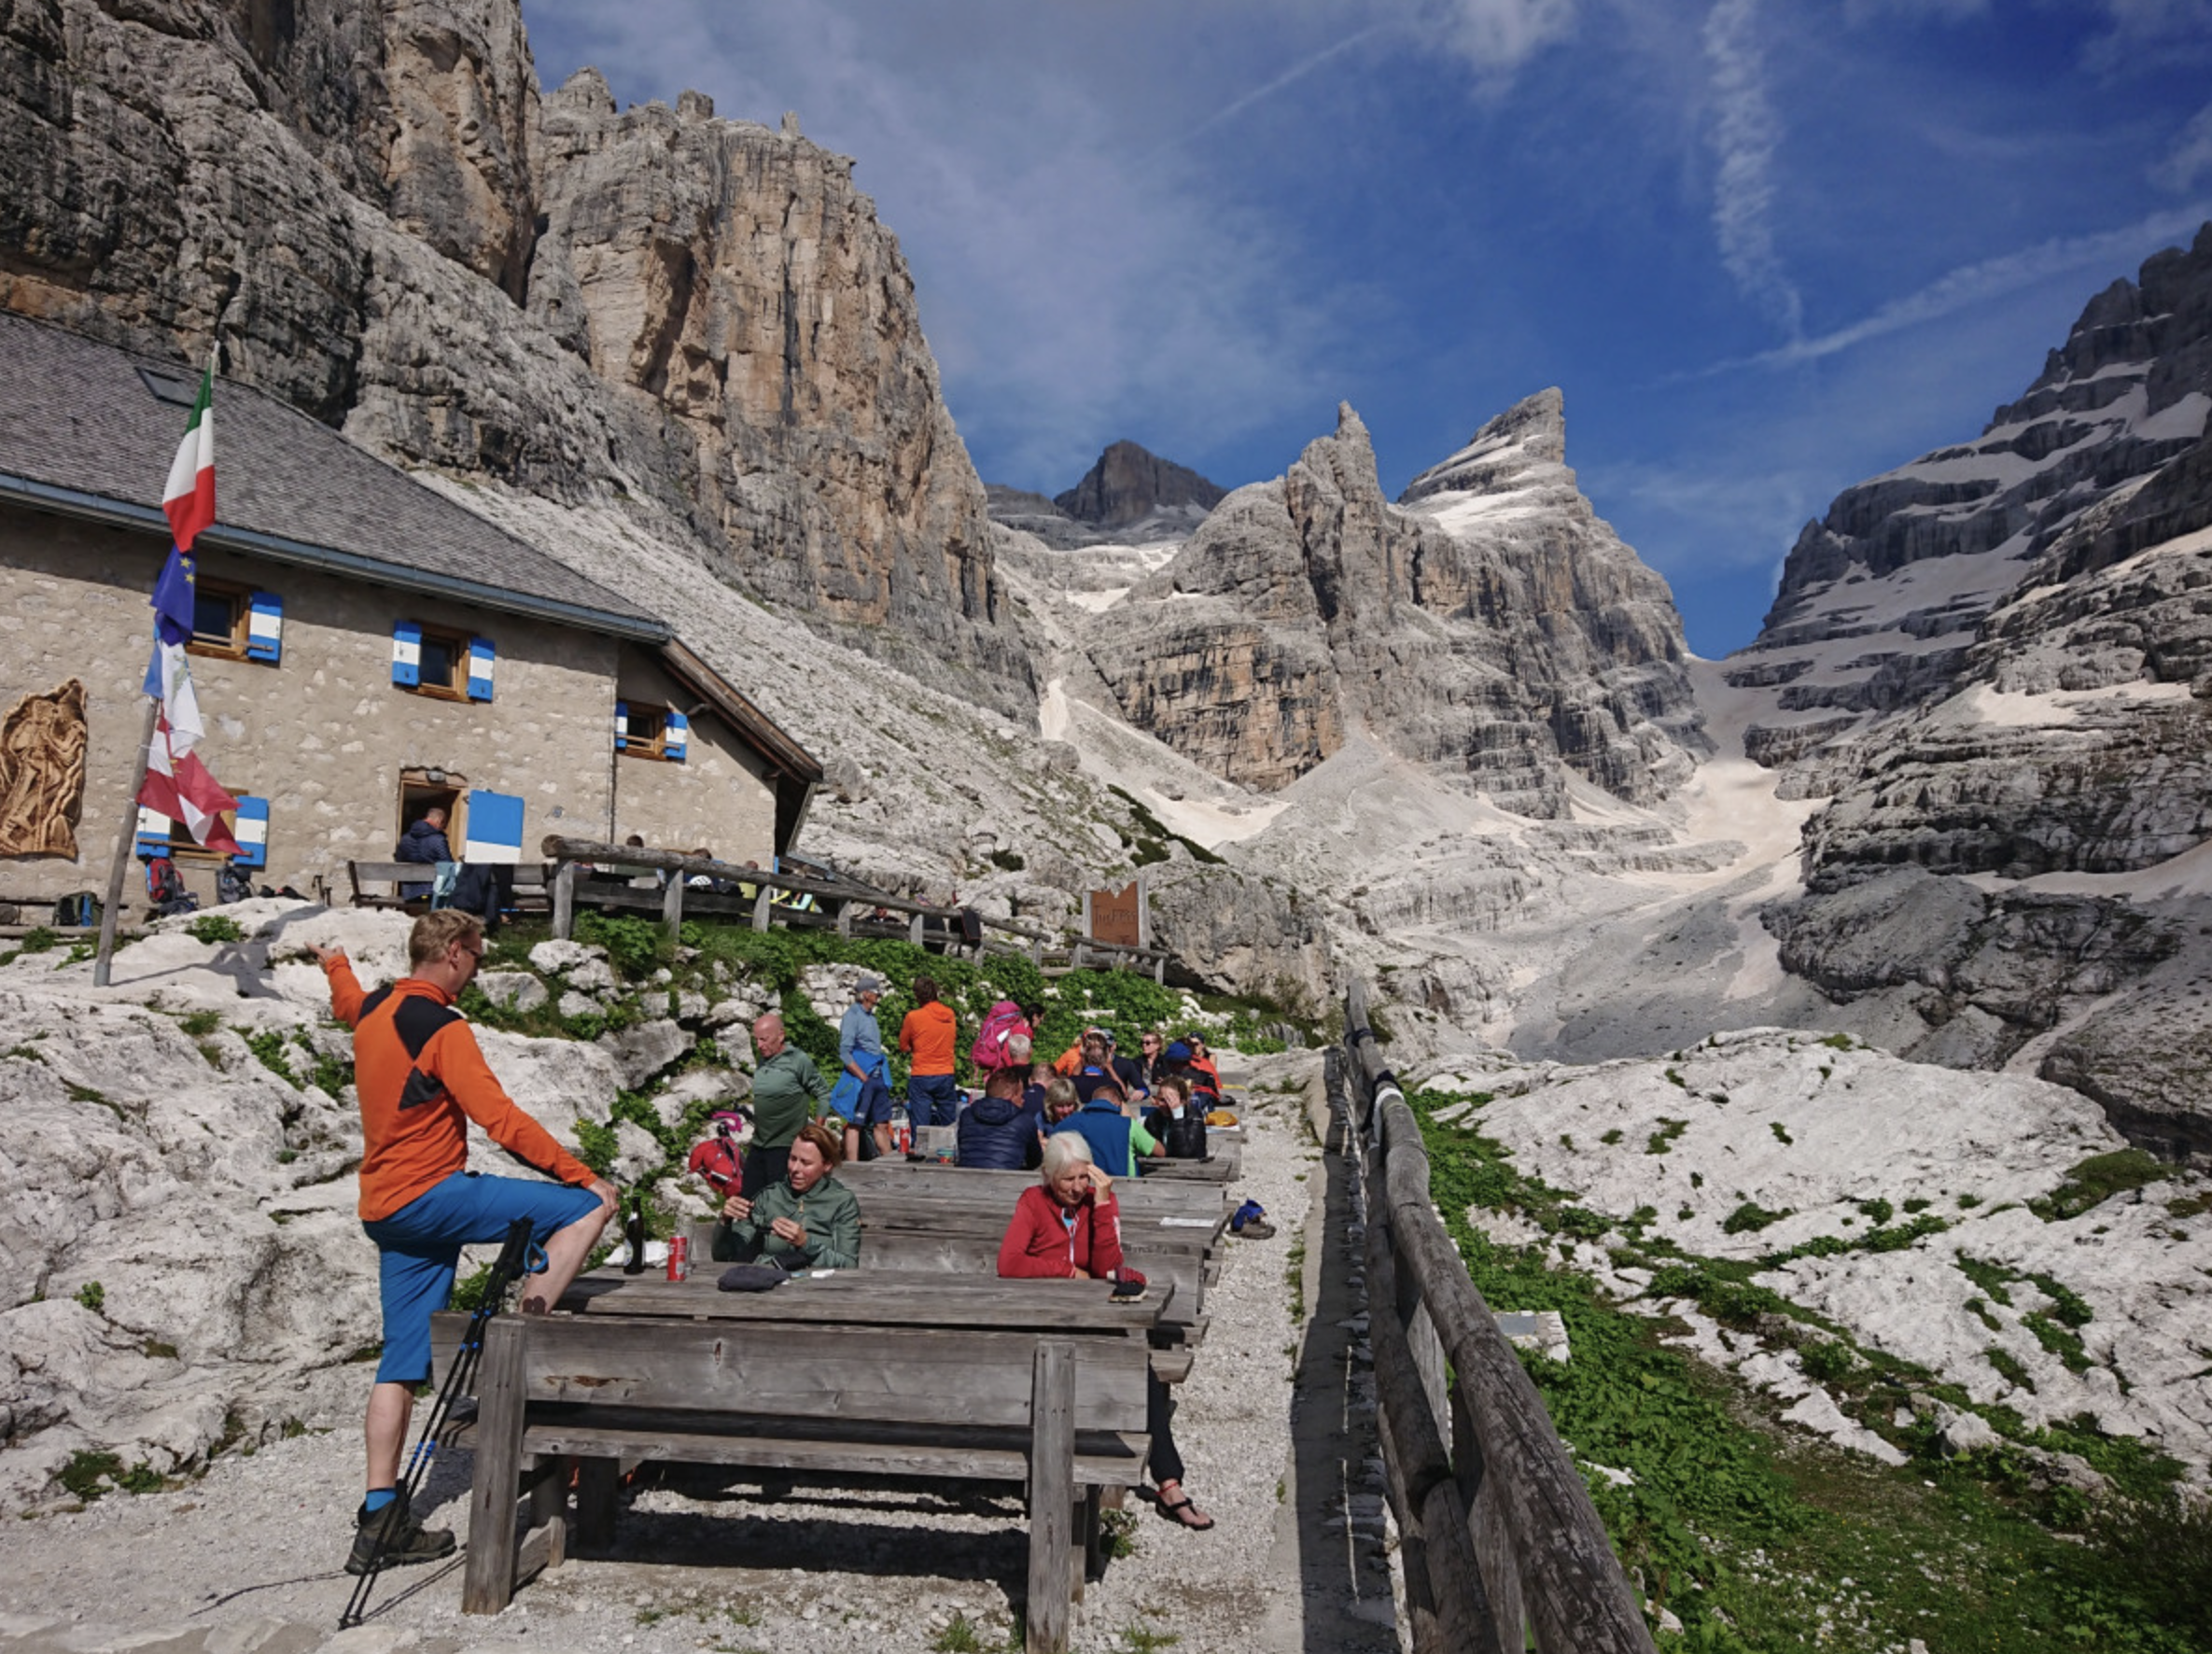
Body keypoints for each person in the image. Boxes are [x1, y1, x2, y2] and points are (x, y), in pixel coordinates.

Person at [313, 913, 617, 1576]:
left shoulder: (372, 1009)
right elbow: (499, 1119)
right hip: (432, 1197)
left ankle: (380, 1516)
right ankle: (521, 1336)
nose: (476, 969)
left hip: (384, 1210)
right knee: (586, 1209)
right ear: (453, 954)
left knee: (398, 1364)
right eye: (476, 957)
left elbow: (345, 998)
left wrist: (334, 959)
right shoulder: (442, 1026)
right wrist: (583, 1174)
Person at [997, 1135, 1211, 1530]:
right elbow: (1008, 1263)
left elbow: (1109, 1268)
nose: (1078, 1187)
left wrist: (1102, 1206)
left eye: (1084, 1177)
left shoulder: (1098, 1201)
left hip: (1093, 1322)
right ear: (1048, 1176)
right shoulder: (1033, 1201)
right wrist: (1064, 1272)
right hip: (1041, 1324)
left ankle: (1169, 1482)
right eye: (1068, 1180)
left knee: (1140, 1371)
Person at [712, 1120, 860, 1269]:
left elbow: (849, 1264)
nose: (795, 1168)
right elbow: (724, 1256)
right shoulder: (769, 1197)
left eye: (806, 1163)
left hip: (821, 1287)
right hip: (771, 1283)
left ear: (827, 1165)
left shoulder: (842, 1202)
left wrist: (806, 1243)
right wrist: (725, 1221)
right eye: (792, 1158)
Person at [746, 1012, 833, 1197]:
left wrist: (817, 1132)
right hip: (759, 1143)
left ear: (781, 1036)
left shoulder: (798, 1060)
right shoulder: (763, 1059)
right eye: (756, 1040)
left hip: (786, 1146)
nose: (759, 1045)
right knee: (749, 1200)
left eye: (764, 1039)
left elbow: (823, 1093)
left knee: (780, 1201)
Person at [1050, 1069, 1160, 1178]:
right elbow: (1160, 1151)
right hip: (1124, 1187)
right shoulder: (1128, 1125)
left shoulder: (1065, 1124)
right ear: (1118, 1105)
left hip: (1082, 1186)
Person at [833, 974, 893, 1158]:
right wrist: (862, 1076)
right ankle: (853, 1167)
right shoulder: (852, 1016)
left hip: (879, 1074)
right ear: (866, 994)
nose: (878, 997)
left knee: (882, 1124)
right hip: (864, 1077)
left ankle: (891, 1164)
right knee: (855, 1123)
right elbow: (844, 1051)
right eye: (876, 993)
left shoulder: (871, 1018)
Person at [899, 974, 960, 1139]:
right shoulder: (950, 1015)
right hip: (946, 1073)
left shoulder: (913, 1017)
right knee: (948, 1122)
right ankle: (948, 1153)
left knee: (921, 1125)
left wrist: (917, 1046)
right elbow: (953, 1038)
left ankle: (920, 1154)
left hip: (922, 1074)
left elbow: (903, 1046)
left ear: (917, 996)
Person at [958, 1067, 1043, 1170]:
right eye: (1021, 1095)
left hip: (965, 1182)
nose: (1023, 1100)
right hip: (1009, 1183)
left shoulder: (967, 1115)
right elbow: (1034, 1161)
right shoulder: (1024, 1120)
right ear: (1010, 1096)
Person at [1144, 1074, 1209, 1161]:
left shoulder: (1194, 1118)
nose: (1164, 1105)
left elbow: (1184, 1154)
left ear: (1183, 1101)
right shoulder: (1153, 1118)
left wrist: (1178, 1118)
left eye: (1170, 1100)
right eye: (1161, 1100)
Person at [392, 806, 452, 902]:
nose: (443, 827)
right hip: (431, 892)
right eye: (443, 823)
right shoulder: (438, 840)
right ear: (439, 820)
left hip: (408, 891)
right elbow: (448, 864)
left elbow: (398, 859)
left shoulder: (405, 838)